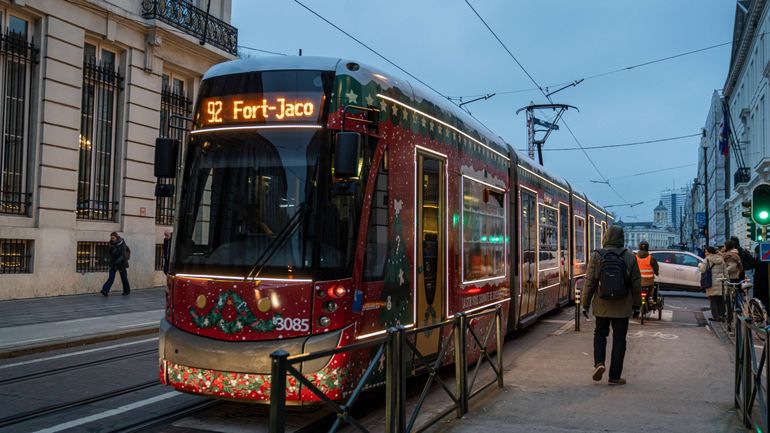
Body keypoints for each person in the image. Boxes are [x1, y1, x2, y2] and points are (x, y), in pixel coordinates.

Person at [582, 225, 641, 385]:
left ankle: (599, 363)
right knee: (619, 339)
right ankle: (614, 376)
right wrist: (637, 305)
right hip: (623, 305)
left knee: (600, 334)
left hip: (602, 304)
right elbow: (636, 284)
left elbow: (589, 282)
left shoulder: (597, 255)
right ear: (621, 238)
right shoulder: (630, 257)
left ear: (605, 237)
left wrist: (585, 304)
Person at [699, 246, 728, 321]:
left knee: (713, 299)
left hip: (711, 282)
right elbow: (725, 272)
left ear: (710, 252)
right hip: (720, 282)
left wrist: (699, 265)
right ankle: (722, 315)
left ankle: (716, 316)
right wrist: (727, 280)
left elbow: (702, 270)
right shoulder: (721, 259)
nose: (705, 253)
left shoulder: (707, 260)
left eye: (706, 252)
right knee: (720, 299)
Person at [101, 232, 130, 296]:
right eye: (111, 238)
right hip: (113, 263)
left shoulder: (122, 243)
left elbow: (123, 255)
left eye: (113, 238)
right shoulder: (111, 244)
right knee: (111, 277)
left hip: (121, 263)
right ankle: (105, 290)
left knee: (124, 277)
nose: (112, 239)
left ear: (116, 237)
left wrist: (116, 262)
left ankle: (127, 290)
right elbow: (110, 253)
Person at [635, 240, 659, 310]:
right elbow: (656, 267)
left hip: (638, 281)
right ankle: (650, 298)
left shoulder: (635, 257)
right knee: (652, 288)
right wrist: (656, 273)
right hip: (649, 281)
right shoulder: (651, 258)